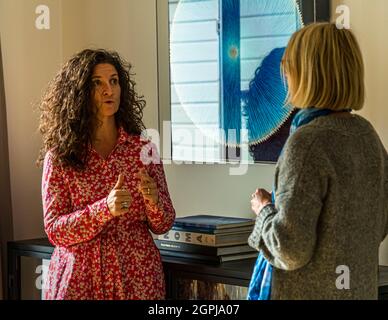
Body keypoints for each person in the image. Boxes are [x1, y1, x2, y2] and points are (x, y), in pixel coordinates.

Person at [247, 22, 388, 299]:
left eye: (289, 64)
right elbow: (378, 227)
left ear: (307, 73)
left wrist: (263, 210)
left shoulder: (306, 144)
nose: (284, 72)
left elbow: (290, 250)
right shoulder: (368, 137)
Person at [37, 49, 176, 300]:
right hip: (80, 281)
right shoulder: (60, 157)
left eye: (114, 81)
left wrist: (154, 201)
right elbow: (55, 230)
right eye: (97, 83)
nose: (108, 90)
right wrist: (105, 209)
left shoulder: (144, 151)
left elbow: (163, 224)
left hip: (138, 280)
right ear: (79, 94)